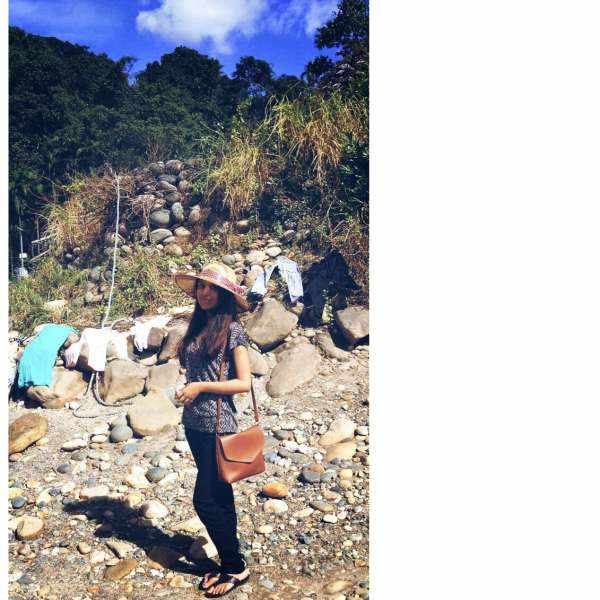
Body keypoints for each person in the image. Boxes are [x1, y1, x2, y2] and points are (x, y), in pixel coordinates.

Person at [174, 263, 252, 597]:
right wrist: (189, 387)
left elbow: (244, 383)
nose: (204, 293)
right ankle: (229, 562)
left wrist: (200, 387)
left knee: (204, 500)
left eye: (212, 288)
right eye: (201, 287)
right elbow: (196, 372)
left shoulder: (233, 330)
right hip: (194, 424)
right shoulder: (199, 326)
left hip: (219, 427)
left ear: (224, 294)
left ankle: (235, 566)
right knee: (221, 496)